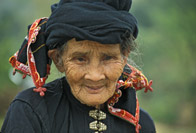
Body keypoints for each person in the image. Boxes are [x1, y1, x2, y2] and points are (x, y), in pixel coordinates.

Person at [1, 0, 156, 132]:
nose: (95, 75)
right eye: (80, 59)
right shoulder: (29, 113)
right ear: (58, 60)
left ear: (124, 58)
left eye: (108, 58)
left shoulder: (142, 125)